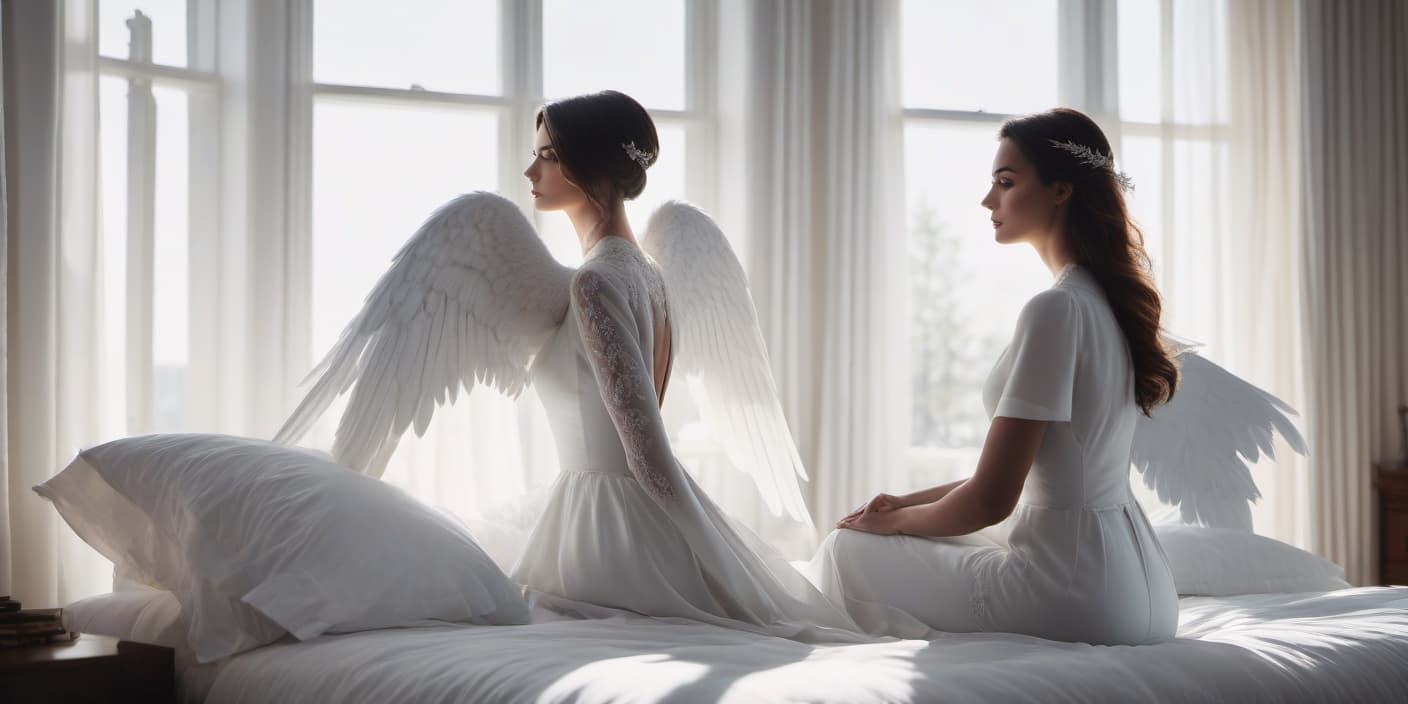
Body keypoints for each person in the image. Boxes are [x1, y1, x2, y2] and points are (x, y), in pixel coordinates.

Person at [809, 108, 1180, 645]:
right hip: (1145, 592)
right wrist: (907, 502)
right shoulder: (1111, 305)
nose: (989, 202)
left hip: (1072, 596)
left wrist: (889, 525)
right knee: (920, 537)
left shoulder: (1056, 310)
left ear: (1061, 190)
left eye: (1006, 183)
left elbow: (990, 501)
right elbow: (1034, 472)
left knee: (850, 549)